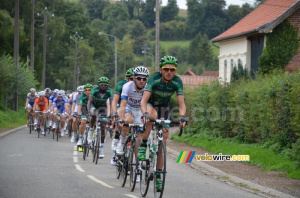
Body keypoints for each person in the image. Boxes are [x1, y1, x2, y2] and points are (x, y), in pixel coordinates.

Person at [139, 56, 187, 191]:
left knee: (163, 141)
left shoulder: (177, 82)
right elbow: (143, 101)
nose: (169, 72)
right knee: (151, 115)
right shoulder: (154, 79)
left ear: (175, 71)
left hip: (164, 107)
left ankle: (158, 175)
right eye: (166, 69)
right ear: (160, 69)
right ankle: (143, 144)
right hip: (150, 104)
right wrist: (144, 113)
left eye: (172, 69)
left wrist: (182, 117)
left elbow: (181, 104)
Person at [115, 67, 149, 170]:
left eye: (144, 79)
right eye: (139, 78)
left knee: (139, 138)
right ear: (134, 78)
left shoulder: (147, 88)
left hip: (139, 110)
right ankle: (121, 142)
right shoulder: (127, 86)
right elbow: (123, 105)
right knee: (128, 121)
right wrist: (121, 119)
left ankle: (137, 165)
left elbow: (148, 104)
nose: (141, 81)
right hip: (128, 108)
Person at [87, 77, 113, 158]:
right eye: (102, 85)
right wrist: (89, 112)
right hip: (94, 105)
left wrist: (111, 114)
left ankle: (101, 148)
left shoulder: (110, 91)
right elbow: (89, 102)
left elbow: (112, 104)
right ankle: (90, 131)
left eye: (105, 85)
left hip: (103, 108)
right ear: (99, 85)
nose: (103, 86)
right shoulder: (94, 90)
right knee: (93, 115)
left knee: (103, 126)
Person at [111, 68, 135, 151]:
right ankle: (116, 137)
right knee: (119, 117)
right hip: (121, 105)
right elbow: (115, 100)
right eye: (131, 79)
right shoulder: (121, 85)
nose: (133, 80)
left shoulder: (138, 85)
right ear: (127, 78)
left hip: (133, 106)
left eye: (134, 78)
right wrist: (114, 112)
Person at [76, 84, 93, 151]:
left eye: (89, 90)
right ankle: (80, 139)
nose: (87, 91)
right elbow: (79, 106)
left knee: (94, 122)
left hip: (92, 111)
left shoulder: (94, 96)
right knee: (83, 122)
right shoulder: (82, 96)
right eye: (86, 90)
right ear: (84, 91)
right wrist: (79, 114)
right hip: (84, 111)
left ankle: (90, 137)